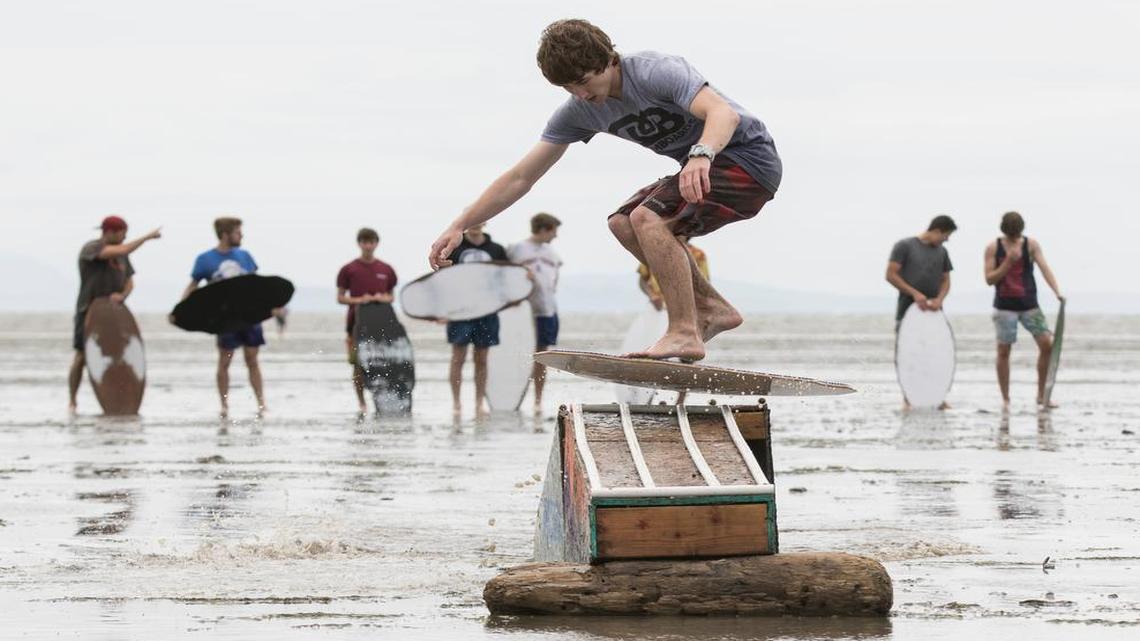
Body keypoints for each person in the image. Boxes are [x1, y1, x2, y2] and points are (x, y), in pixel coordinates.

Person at [428, 19, 781, 362]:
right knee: (623, 222)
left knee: (648, 218)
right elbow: (521, 177)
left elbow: (723, 114)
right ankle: (712, 307)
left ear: (609, 59)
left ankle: (685, 331)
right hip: (705, 167)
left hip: (748, 160)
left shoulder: (655, 71)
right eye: (569, 88)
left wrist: (701, 155)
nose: (581, 94)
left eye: (584, 81)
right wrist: (460, 224)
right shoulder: (578, 111)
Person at [69, 216, 162, 413]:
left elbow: (130, 281)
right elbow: (122, 249)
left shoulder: (122, 255)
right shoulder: (91, 248)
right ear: (109, 232)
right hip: (89, 310)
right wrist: (146, 238)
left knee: (121, 351)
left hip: (115, 311)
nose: (124, 237)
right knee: (81, 356)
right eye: (122, 233)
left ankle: (121, 397)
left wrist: (123, 295)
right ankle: (73, 401)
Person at [179, 217, 267, 418]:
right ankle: (224, 405)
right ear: (225, 234)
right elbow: (193, 286)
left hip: (250, 316)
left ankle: (261, 404)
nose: (241, 235)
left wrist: (270, 306)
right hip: (226, 320)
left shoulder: (245, 256)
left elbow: (257, 284)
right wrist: (180, 310)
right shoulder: (205, 260)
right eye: (237, 232)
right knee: (225, 361)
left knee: (252, 359)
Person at [983, 211, 1064, 409]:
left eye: (1016, 234)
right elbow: (989, 279)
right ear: (1004, 231)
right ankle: (1006, 399)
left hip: (1030, 305)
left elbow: (1045, 268)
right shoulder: (993, 247)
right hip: (1004, 307)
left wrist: (1057, 292)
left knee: (1047, 345)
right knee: (1004, 350)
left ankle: (1042, 395)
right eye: (1011, 235)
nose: (1014, 238)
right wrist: (1008, 262)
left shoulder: (1031, 245)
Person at [446, 224, 507, 416]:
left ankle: (479, 402)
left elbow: (505, 277)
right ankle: (456, 403)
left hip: (487, 311)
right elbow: (443, 279)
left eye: (479, 220)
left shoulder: (496, 249)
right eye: (471, 221)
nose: (475, 224)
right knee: (458, 358)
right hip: (460, 311)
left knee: (482, 359)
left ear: (485, 222)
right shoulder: (454, 247)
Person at [336, 227, 399, 415]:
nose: (368, 246)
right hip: (355, 325)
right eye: (365, 242)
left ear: (376, 243)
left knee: (383, 363)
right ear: (359, 243)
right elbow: (340, 297)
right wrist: (359, 300)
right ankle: (362, 403)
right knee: (358, 365)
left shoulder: (386, 269)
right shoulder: (349, 269)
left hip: (382, 324)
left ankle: (381, 399)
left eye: (371, 242)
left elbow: (391, 296)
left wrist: (381, 298)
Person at [507, 213, 563, 411]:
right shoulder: (517, 249)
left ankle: (538, 401)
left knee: (542, 356)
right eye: (554, 231)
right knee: (518, 353)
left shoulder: (551, 253)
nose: (555, 235)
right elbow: (505, 273)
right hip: (525, 310)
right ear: (544, 229)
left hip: (547, 309)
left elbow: (555, 276)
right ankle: (514, 397)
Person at [886, 215, 957, 324]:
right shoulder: (904, 246)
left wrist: (940, 299)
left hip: (934, 312)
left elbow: (946, 280)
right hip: (907, 309)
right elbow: (890, 275)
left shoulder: (942, 251)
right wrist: (915, 293)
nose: (947, 240)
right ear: (937, 231)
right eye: (946, 235)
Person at [638, 237, 708, 311]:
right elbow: (642, 280)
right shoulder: (653, 251)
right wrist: (652, 296)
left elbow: (703, 285)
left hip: (686, 307)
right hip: (658, 308)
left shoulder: (698, 255)